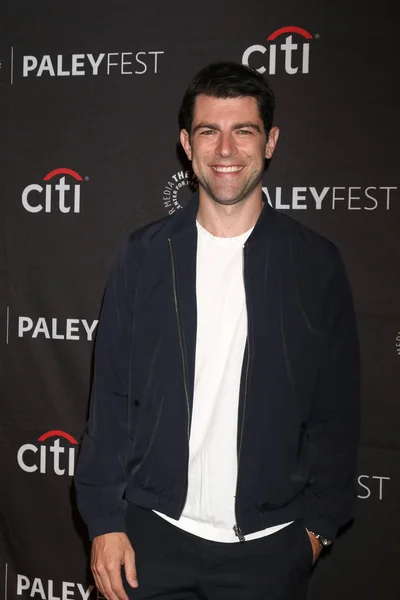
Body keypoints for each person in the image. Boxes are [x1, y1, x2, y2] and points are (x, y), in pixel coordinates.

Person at [75, 62, 360, 600]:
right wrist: (105, 521)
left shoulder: (316, 264)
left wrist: (316, 531)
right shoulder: (142, 257)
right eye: (209, 131)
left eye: (243, 130)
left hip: (270, 551)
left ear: (270, 141)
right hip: (149, 541)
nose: (226, 149)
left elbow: (337, 412)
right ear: (187, 144)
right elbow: (110, 400)